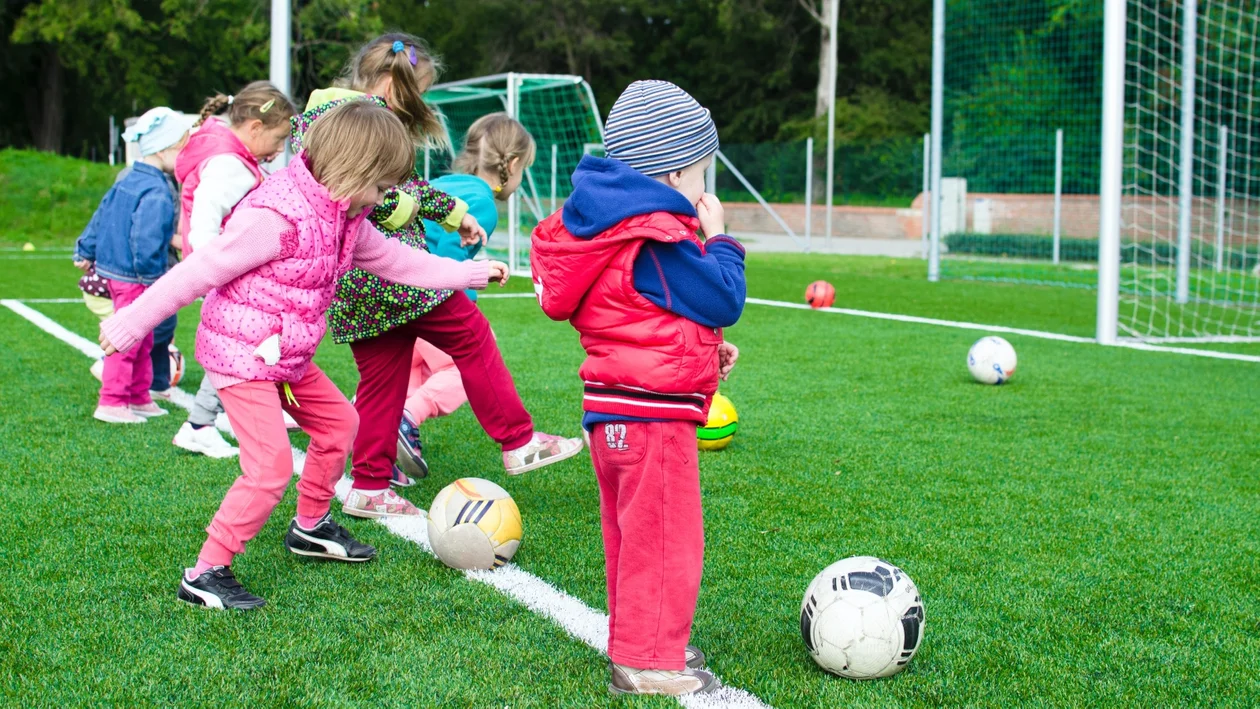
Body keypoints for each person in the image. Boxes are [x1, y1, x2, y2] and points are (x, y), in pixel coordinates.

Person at [98, 101, 510, 610]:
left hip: (286, 356)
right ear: (353, 171)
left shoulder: (346, 214)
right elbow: (199, 271)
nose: (386, 199)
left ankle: (310, 527)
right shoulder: (275, 217)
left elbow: (394, 260)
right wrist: (130, 323)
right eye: (382, 188)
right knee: (269, 467)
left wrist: (468, 273)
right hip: (242, 356)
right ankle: (205, 572)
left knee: (341, 425)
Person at [292, 33, 582, 520]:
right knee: (471, 335)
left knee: (383, 380)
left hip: (355, 284)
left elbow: (403, 185)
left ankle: (368, 485)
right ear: (390, 82)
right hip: (393, 274)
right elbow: (372, 195)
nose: (418, 104)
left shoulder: (326, 114)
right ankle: (518, 440)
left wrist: (454, 215)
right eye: (416, 92)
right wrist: (413, 214)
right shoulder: (356, 119)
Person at [531, 80, 747, 696]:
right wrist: (721, 238)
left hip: (616, 411)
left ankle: (641, 640)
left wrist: (705, 354)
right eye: (703, 171)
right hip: (651, 420)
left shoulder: (610, 229)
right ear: (675, 170)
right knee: (664, 539)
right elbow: (722, 296)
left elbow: (641, 315)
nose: (706, 187)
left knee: (633, 537)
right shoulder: (655, 236)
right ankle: (648, 661)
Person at [394, 113, 537, 481]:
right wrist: (464, 310)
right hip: (423, 296)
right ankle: (407, 419)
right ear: (514, 164)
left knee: (406, 371)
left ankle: (375, 434)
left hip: (391, 293)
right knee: (462, 365)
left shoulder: (444, 183)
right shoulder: (483, 204)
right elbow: (448, 259)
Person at [169, 81, 297, 459]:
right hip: (228, 274)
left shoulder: (232, 156)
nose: (279, 151)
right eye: (278, 139)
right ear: (255, 128)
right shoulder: (230, 166)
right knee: (240, 346)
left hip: (229, 272)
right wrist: (218, 270)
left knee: (248, 343)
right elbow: (205, 224)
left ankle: (215, 418)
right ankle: (199, 424)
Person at [74, 107, 196, 424]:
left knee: (144, 337)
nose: (184, 155)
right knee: (129, 339)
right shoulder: (156, 189)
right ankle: (112, 401)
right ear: (166, 149)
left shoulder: (128, 177)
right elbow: (146, 238)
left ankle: (139, 396)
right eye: (182, 147)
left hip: (120, 272)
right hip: (137, 277)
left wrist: (85, 247)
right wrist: (154, 280)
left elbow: (101, 213)